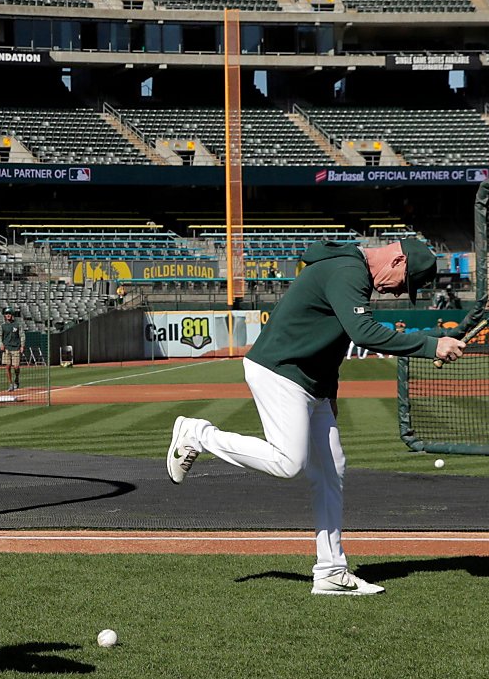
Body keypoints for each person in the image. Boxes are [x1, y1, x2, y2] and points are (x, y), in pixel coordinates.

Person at [163, 239, 460, 596]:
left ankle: (331, 571)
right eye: (403, 283)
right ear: (397, 259)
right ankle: (197, 435)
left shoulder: (350, 270)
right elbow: (362, 333)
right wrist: (432, 344)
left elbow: (331, 341)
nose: (397, 293)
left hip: (310, 380)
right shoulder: (348, 270)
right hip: (282, 371)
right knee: (288, 463)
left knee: (331, 469)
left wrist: (329, 393)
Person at [0, 309, 26, 392]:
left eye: (9, 313)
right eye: (6, 314)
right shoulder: (2, 326)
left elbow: (22, 335)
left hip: (16, 347)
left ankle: (16, 379)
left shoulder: (17, 325)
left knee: (16, 366)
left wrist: (22, 345)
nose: (8, 315)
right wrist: (1, 344)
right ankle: (10, 384)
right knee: (7, 366)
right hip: (6, 348)